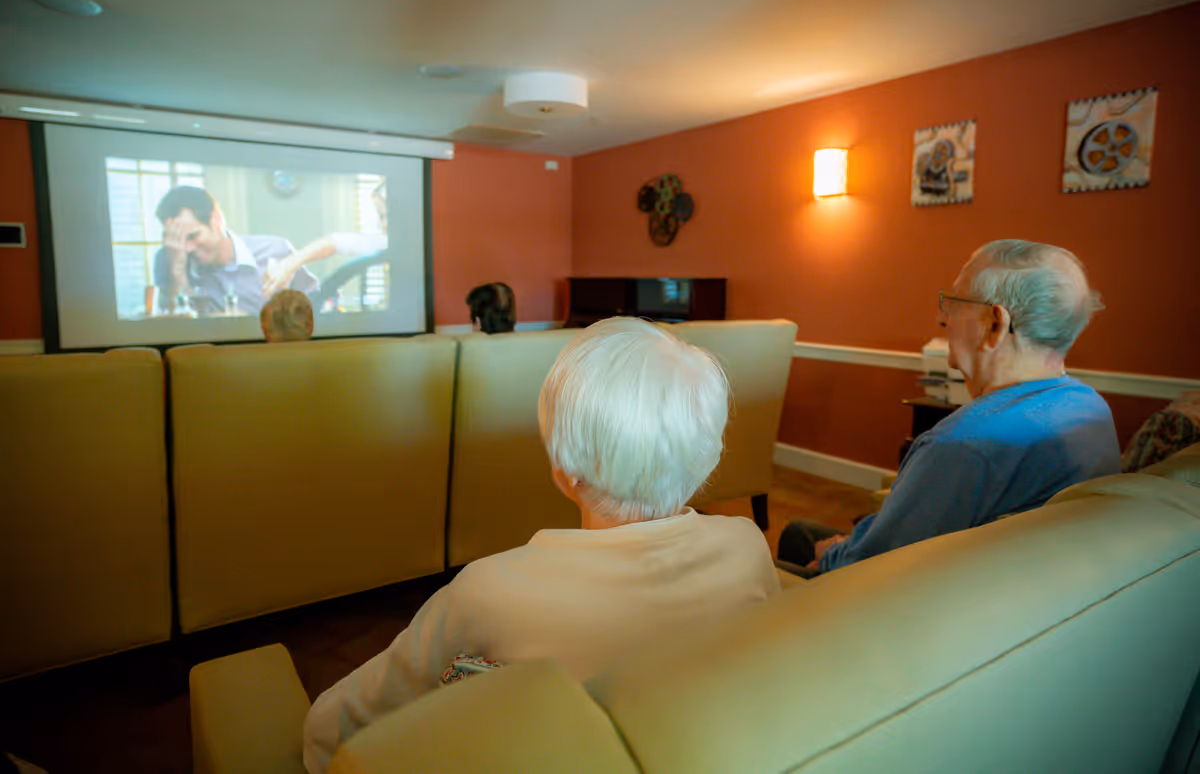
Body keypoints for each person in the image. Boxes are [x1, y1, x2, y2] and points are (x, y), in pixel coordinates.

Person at [302, 318, 780, 772]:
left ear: (564, 469)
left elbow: (345, 721)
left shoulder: (488, 593)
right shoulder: (748, 545)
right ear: (707, 451)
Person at [779, 239, 1121, 577]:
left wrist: (831, 556)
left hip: (900, 604)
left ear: (995, 325)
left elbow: (874, 566)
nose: (942, 317)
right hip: (1013, 587)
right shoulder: (1092, 408)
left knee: (791, 545)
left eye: (954, 302)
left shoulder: (962, 446)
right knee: (801, 532)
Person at [152, 186, 317, 316]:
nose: (187, 249)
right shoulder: (169, 258)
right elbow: (174, 328)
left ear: (216, 219)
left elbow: (319, 306)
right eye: (177, 240)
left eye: (193, 236)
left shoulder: (275, 250)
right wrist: (176, 271)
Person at [260, 182, 388, 297]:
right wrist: (287, 265)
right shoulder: (384, 244)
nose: (380, 225)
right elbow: (335, 242)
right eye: (380, 215)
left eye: (383, 215)